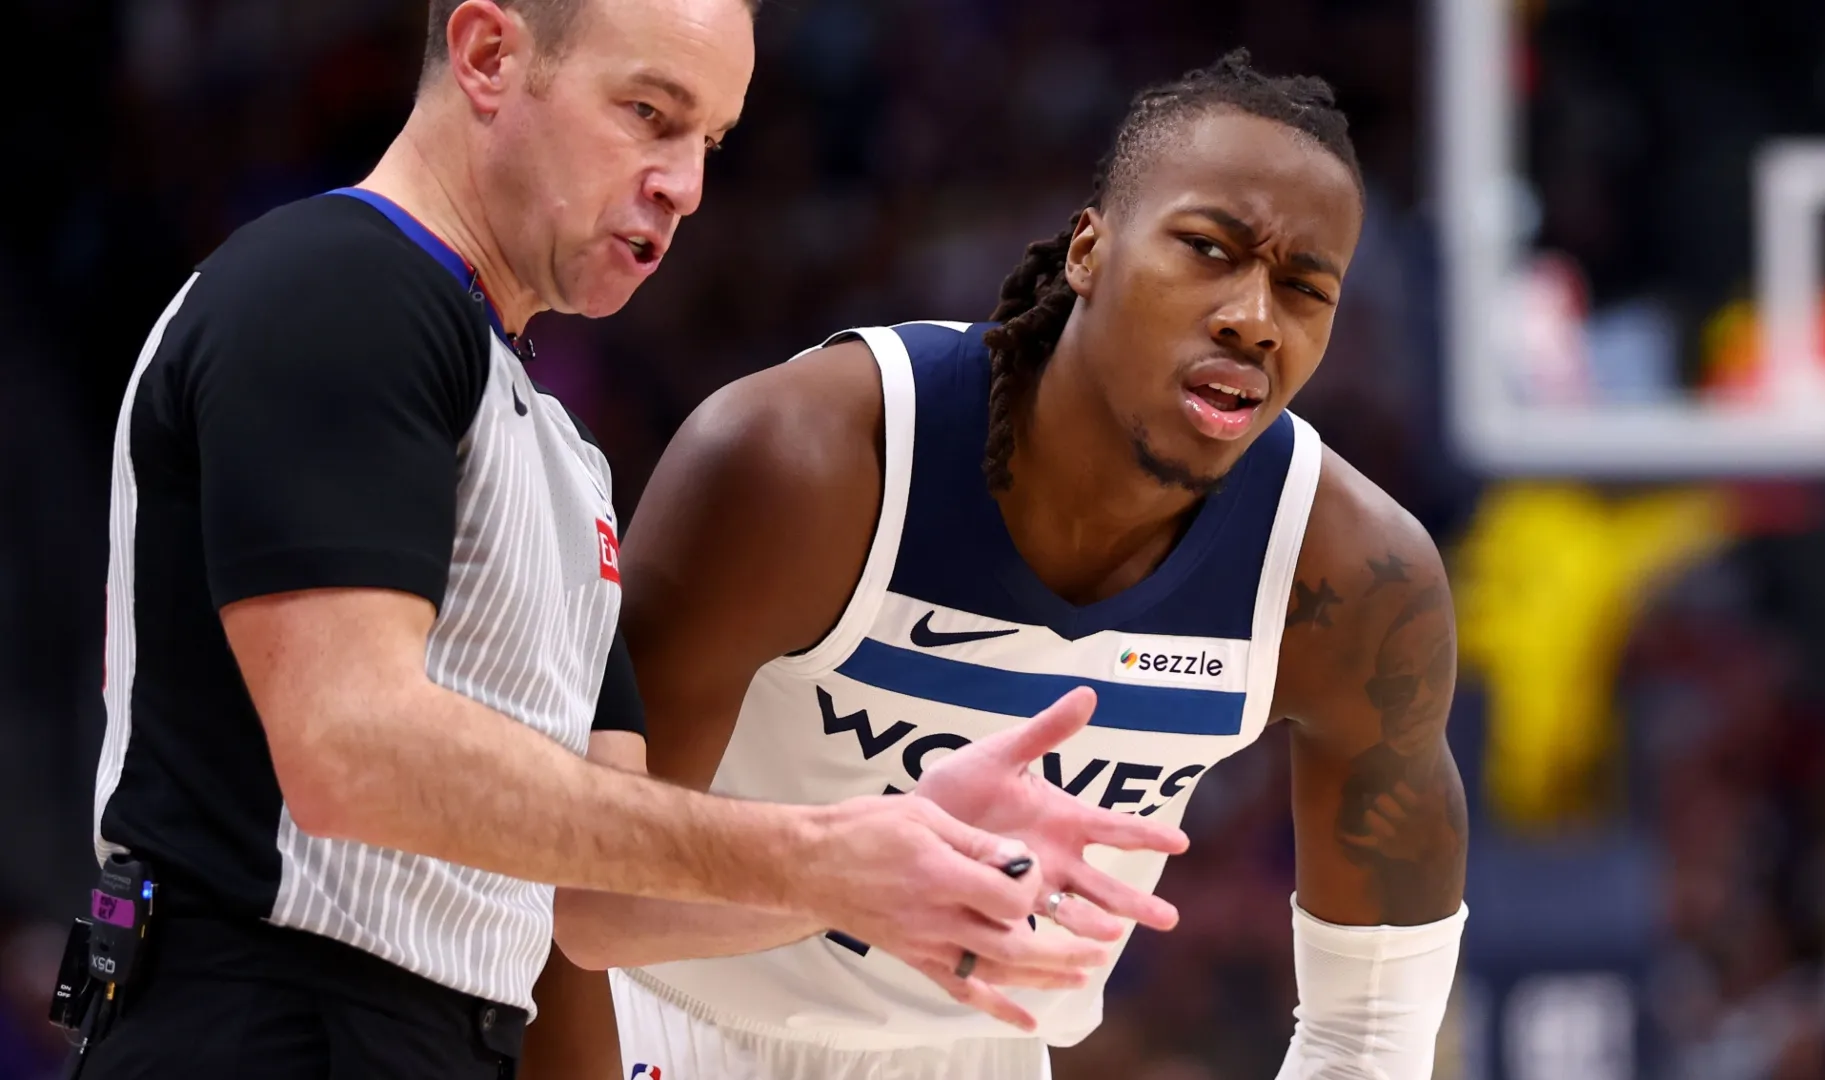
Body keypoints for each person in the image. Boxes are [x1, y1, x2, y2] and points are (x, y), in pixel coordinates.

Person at [70, 0, 1187, 1075]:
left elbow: (603, 908)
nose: (685, 185)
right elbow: (353, 750)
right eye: (649, 113)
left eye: (710, 138)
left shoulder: (563, 455)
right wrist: (816, 854)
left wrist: (887, 850)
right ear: (488, 54)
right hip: (262, 1020)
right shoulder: (339, 286)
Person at [530, 49, 1471, 1080]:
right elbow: (573, 892)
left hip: (986, 1057)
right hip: (671, 1033)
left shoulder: (1353, 579)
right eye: (1208, 249)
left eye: (1304, 288)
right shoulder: (802, 461)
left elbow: (1372, 1032)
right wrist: (851, 874)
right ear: (1087, 251)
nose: (1254, 317)